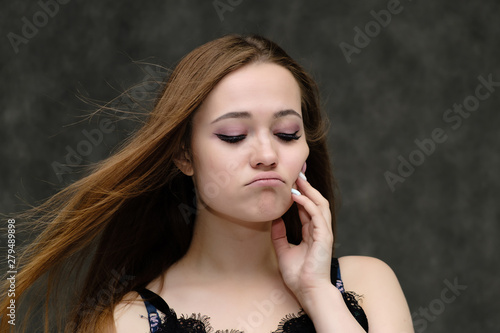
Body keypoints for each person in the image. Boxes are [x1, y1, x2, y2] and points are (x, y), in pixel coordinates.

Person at [0, 34, 413, 332]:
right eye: (234, 136)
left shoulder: (366, 284)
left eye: (287, 133)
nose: (267, 154)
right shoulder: (129, 322)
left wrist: (317, 292)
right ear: (184, 155)